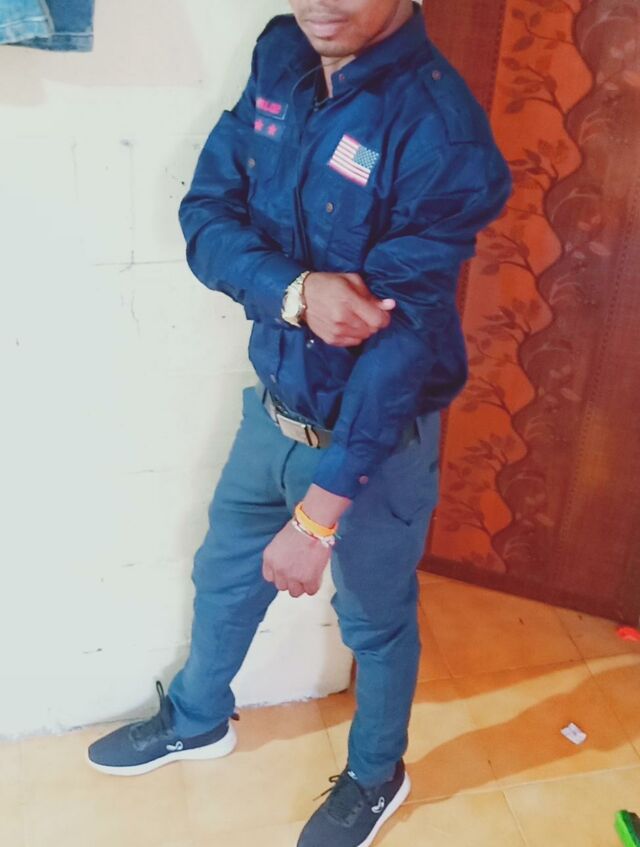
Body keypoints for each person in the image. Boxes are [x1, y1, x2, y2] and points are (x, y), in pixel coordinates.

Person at [87, 2, 512, 845]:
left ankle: (376, 774)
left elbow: (403, 347)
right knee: (224, 573)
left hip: (374, 444)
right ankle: (198, 718)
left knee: (376, 621)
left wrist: (319, 516)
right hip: (273, 410)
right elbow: (207, 214)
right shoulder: (282, 54)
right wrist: (293, 291)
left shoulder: (443, 134)